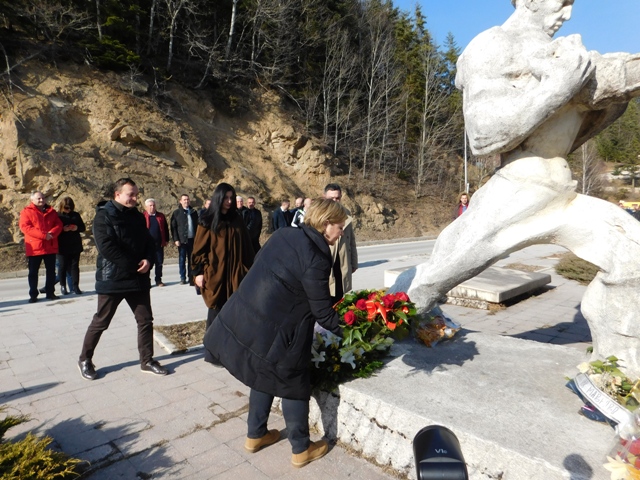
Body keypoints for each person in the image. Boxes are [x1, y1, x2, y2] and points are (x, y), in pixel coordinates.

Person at [394, 0, 640, 312]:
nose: (567, 14)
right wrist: (555, 91)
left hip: (562, 193)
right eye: (560, 2)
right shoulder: (492, 45)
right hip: (517, 190)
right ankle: (380, 327)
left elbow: (613, 77)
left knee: (632, 256)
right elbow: (483, 137)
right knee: (431, 280)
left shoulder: (565, 54)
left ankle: (616, 356)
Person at [203, 198, 347, 468]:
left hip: (252, 316)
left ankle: (255, 435)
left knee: (262, 374)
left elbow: (263, 266)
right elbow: (323, 312)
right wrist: (351, 331)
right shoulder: (316, 257)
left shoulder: (284, 234)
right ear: (326, 224)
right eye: (340, 227)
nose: (341, 233)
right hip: (283, 329)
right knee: (293, 383)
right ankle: (301, 449)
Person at [78, 178, 167, 380]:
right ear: (117, 194)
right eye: (131, 194)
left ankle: (147, 360)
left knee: (145, 320)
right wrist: (134, 266)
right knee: (101, 321)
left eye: (136, 194)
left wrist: (148, 260)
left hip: (138, 279)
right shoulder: (103, 216)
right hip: (113, 279)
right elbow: (107, 248)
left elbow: (149, 242)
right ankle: (85, 359)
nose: (135, 198)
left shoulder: (136, 216)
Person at [192, 183, 255, 337]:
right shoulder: (207, 220)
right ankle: (212, 349)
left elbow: (247, 247)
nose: (228, 201)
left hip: (235, 274)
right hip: (215, 274)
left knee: (235, 311)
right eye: (225, 197)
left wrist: (250, 270)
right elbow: (198, 250)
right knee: (215, 311)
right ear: (218, 198)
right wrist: (198, 273)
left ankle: (230, 348)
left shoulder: (237, 220)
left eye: (231, 197)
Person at [19, 191, 63, 302]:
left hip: (50, 246)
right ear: (32, 200)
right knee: (33, 272)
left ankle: (50, 292)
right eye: (39, 198)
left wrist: (52, 234)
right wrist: (44, 235)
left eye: (43, 198)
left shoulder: (51, 211)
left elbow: (58, 225)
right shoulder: (26, 212)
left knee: (51, 272)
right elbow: (26, 227)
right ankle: (33, 295)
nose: (41, 200)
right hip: (35, 248)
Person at [323, 184, 358, 303]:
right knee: (325, 295)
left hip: (342, 261)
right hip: (326, 260)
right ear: (324, 197)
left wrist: (354, 262)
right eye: (331, 198)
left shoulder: (346, 213)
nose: (334, 201)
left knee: (340, 295)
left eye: (337, 198)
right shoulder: (319, 214)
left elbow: (351, 240)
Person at [56, 197, 86, 295]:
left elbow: (83, 228)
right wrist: (62, 229)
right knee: (62, 266)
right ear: (62, 206)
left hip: (74, 244)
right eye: (66, 208)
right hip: (61, 245)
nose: (68, 210)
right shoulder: (57, 216)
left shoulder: (76, 215)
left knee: (74, 267)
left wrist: (76, 228)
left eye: (70, 208)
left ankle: (75, 286)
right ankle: (63, 286)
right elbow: (53, 229)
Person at [171, 194, 199, 285]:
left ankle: (191, 277)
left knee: (192, 259)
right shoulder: (176, 213)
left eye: (187, 199)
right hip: (182, 240)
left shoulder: (193, 212)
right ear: (180, 201)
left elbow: (198, 226)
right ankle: (182, 278)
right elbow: (173, 227)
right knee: (182, 259)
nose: (186, 201)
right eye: (184, 200)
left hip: (192, 240)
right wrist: (176, 239)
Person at [143, 198, 170, 287]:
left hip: (159, 244)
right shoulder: (142, 216)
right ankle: (147, 281)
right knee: (148, 264)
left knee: (159, 263)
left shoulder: (160, 216)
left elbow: (165, 228)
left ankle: (158, 280)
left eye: (153, 205)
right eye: (150, 205)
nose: (152, 207)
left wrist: (166, 240)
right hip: (147, 245)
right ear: (146, 207)